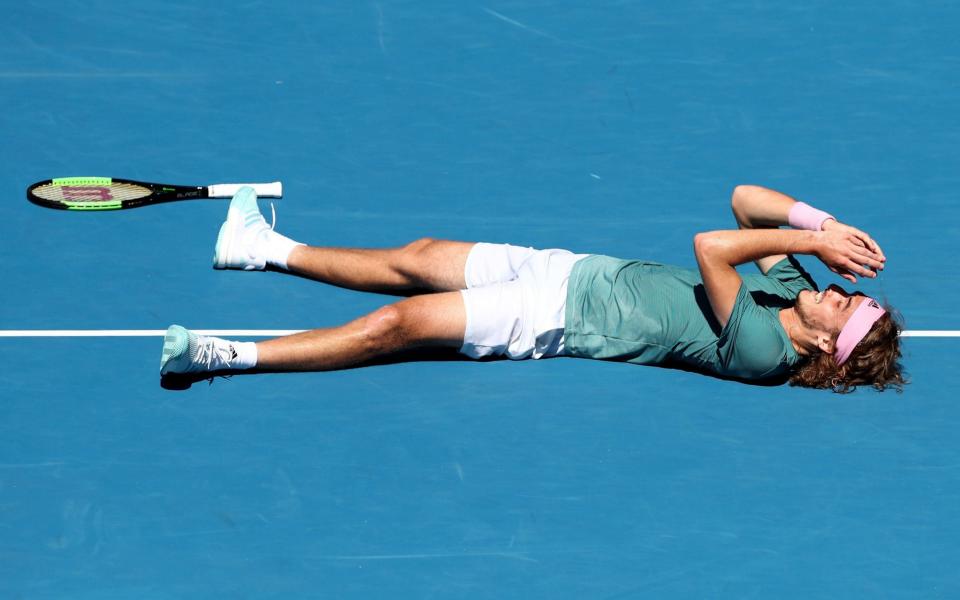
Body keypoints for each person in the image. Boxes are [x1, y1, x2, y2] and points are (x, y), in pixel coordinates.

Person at [159, 185, 906, 392]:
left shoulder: (758, 348)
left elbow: (713, 245)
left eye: (844, 305)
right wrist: (824, 222)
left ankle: (226, 357)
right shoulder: (793, 297)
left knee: (396, 323)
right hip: (566, 268)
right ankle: (261, 247)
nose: (835, 291)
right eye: (848, 291)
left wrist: (808, 242)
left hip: (547, 316)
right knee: (414, 256)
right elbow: (746, 201)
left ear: (822, 346)